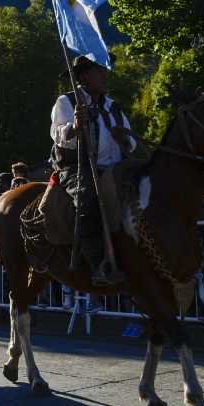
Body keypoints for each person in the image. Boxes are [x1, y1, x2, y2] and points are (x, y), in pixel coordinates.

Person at [50, 54, 135, 286]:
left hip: (115, 168)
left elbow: (132, 141)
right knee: (88, 198)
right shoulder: (67, 102)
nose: (105, 75)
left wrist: (125, 139)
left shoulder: (113, 106)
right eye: (99, 71)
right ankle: (99, 265)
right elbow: (58, 135)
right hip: (78, 166)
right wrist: (75, 127)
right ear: (84, 76)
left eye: (104, 70)